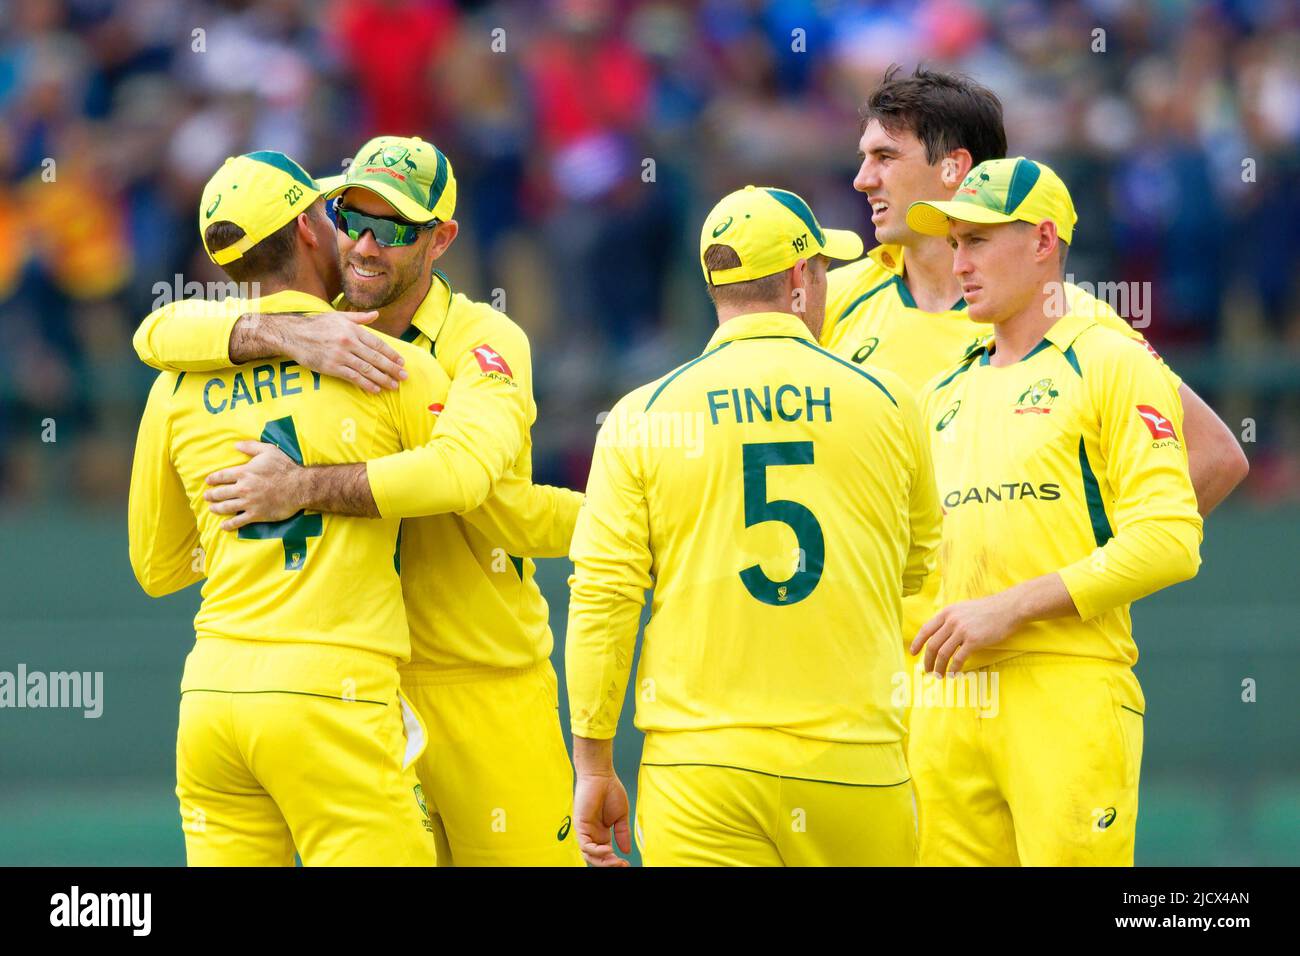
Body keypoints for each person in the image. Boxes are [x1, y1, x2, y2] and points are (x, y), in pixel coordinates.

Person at [131, 136, 585, 866]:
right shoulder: (315, 328)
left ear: (442, 239)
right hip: (359, 688)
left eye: (394, 229)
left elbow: (489, 498)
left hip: (478, 679)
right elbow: (155, 331)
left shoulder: (482, 339)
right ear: (321, 224)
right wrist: (284, 332)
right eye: (352, 218)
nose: (367, 245)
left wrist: (300, 488)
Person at [566, 185, 941, 866]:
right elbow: (915, 567)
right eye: (822, 268)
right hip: (854, 760)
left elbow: (603, 599)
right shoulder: (892, 402)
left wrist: (593, 762)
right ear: (801, 277)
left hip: (700, 769)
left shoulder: (641, 415)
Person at [127, 150, 447, 866]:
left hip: (213, 698)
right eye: (333, 216)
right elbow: (472, 492)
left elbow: (156, 566)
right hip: (335, 694)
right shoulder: (387, 364)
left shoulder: (173, 385)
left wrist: (244, 539)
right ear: (307, 229)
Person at [905, 157, 1203, 865]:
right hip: (944, 701)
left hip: (1067, 688)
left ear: (1043, 241)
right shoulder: (940, 393)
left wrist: (1009, 608)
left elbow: (1170, 538)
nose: (959, 262)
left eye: (978, 241)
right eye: (954, 242)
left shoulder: (1111, 361)